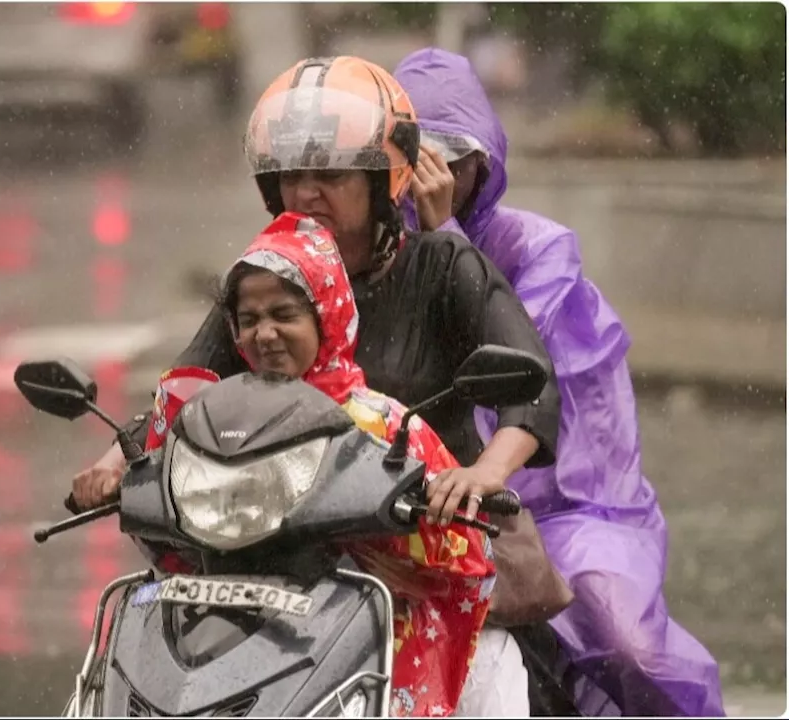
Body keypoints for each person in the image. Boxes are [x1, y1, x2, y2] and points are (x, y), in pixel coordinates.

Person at [74, 55, 560, 533]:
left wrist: (484, 473)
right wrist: (114, 462)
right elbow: (187, 386)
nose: (306, 194)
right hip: (278, 535)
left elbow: (532, 386)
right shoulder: (266, 276)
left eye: (330, 175)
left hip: (427, 542)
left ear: (380, 179)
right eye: (292, 177)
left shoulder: (445, 265)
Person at [394, 47, 725, 717]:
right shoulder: (377, 251)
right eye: (416, 157)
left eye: (452, 158)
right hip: (431, 503)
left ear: (483, 162)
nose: (435, 176)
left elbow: (515, 354)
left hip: (568, 507)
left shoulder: (535, 251)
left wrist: (444, 235)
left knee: (629, 649)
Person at [173, 210, 520, 716]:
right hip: (234, 633)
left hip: (365, 646)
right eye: (249, 320)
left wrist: (417, 534)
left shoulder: (384, 425)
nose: (264, 334)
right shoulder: (216, 419)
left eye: (283, 315)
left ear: (327, 314)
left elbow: (465, 558)